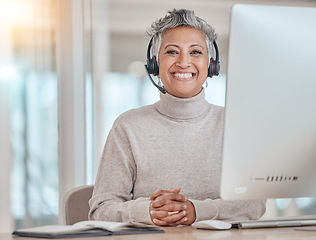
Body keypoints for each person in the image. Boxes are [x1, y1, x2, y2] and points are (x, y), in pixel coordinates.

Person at [89, 8, 266, 226]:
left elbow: (255, 204)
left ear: (212, 65)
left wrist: (196, 210)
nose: (183, 62)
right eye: (172, 51)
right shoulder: (128, 126)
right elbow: (101, 208)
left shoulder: (234, 125)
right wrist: (148, 211)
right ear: (154, 64)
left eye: (195, 52)